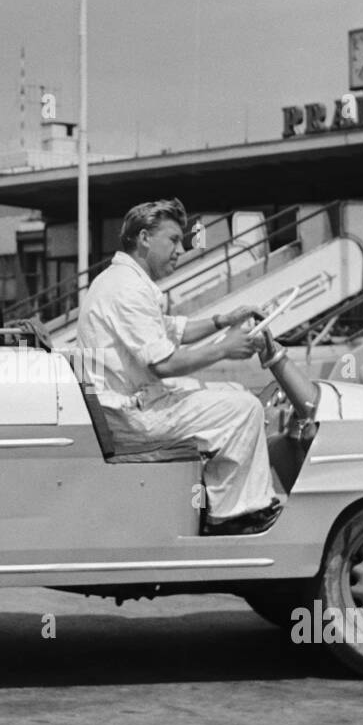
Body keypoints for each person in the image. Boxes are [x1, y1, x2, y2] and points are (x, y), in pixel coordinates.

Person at [76, 198, 295, 536]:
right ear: (145, 238)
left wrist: (225, 319)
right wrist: (225, 348)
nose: (181, 249)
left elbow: (172, 330)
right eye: (173, 239)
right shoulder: (128, 289)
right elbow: (164, 363)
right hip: (131, 416)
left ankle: (219, 499)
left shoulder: (121, 280)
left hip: (125, 405)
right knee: (246, 407)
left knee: (232, 392)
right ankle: (234, 514)